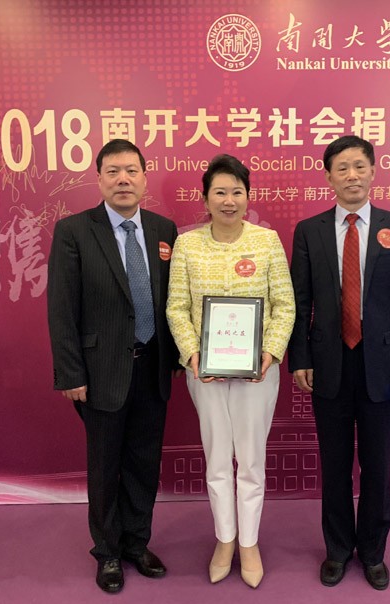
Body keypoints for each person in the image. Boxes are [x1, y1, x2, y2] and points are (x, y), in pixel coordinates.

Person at [288, 135, 390, 591]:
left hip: (382, 366)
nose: (351, 175)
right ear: (328, 176)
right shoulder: (309, 231)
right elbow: (300, 301)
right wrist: (299, 358)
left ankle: (372, 552)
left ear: (373, 172)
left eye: (359, 166)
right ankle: (337, 550)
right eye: (342, 168)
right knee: (334, 465)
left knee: (377, 465)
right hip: (327, 363)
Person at [47, 139, 180, 594]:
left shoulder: (164, 229)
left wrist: (177, 358)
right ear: (99, 179)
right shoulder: (74, 230)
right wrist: (71, 373)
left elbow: (173, 300)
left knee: (144, 463)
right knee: (105, 466)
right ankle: (107, 552)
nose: (123, 179)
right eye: (113, 172)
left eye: (131, 171)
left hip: (153, 367)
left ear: (144, 177)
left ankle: (137, 543)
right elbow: (61, 308)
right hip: (99, 371)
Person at [166, 154, 294, 588]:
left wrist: (270, 352)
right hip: (205, 372)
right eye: (219, 192)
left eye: (236, 192)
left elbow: (285, 305)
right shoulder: (187, 245)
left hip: (257, 372)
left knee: (252, 461)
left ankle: (249, 543)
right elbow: (177, 307)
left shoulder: (267, 241)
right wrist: (192, 354)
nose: (228, 200)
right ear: (205, 199)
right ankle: (225, 539)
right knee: (218, 459)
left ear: (248, 197)